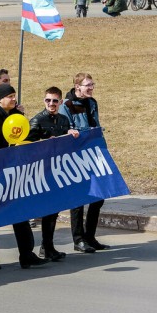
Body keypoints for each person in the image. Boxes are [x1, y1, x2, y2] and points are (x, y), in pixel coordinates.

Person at [0, 83, 50, 269]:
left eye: (14, 96)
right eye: (10, 96)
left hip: (14, 173)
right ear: (0, 100)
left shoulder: (17, 116)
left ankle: (26, 254)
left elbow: (24, 137)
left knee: (20, 212)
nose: (14, 99)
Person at [26, 87, 80, 260]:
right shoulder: (37, 120)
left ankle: (47, 247)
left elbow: (68, 138)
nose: (51, 104)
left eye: (55, 101)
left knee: (54, 210)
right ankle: (41, 248)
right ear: (44, 101)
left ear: (61, 102)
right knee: (47, 210)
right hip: (41, 172)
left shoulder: (63, 119)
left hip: (57, 171)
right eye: (48, 100)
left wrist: (70, 133)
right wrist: (44, 142)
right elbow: (27, 144)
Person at [59, 73, 109, 253]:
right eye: (88, 85)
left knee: (98, 197)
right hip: (76, 157)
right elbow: (66, 130)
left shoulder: (92, 103)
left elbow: (96, 124)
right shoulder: (67, 105)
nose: (91, 88)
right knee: (78, 199)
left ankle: (90, 236)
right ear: (77, 86)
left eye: (92, 84)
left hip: (94, 154)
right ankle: (78, 239)